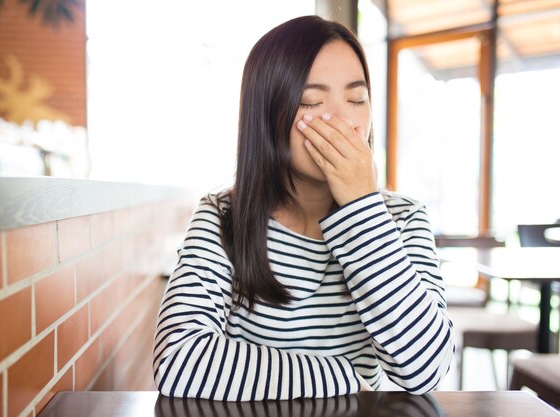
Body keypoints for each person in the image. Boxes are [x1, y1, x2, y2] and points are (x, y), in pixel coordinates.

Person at [153, 15, 454, 401]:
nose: (344, 122)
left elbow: (426, 368)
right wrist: (342, 377)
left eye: (357, 99)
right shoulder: (223, 216)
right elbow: (179, 359)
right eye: (311, 101)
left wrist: (363, 209)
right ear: (266, 116)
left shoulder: (401, 219)